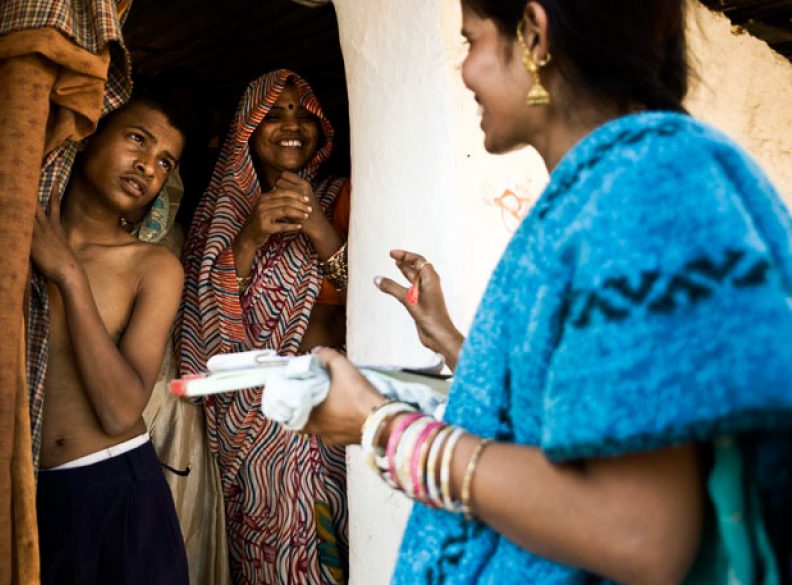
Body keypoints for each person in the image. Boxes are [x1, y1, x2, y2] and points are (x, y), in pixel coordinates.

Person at [303, 1, 792, 583]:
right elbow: (590, 409)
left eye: (472, 41)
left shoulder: (643, 186)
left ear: (534, 35)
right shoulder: (609, 187)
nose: (466, 71)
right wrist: (457, 344)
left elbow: (638, 531)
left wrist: (382, 428)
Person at [177, 69, 351, 584]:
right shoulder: (220, 216)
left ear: (322, 128)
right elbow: (198, 325)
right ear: (247, 131)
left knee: (339, 549)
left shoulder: (342, 196)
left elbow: (369, 297)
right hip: (255, 433)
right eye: (272, 114)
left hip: (331, 416)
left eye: (302, 113)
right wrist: (249, 235)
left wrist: (318, 226)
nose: (290, 124)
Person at [30, 89, 189, 585]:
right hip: (26, 494)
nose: (147, 166)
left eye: (164, 161)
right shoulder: (11, 238)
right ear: (89, 136)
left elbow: (120, 410)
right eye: (136, 140)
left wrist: (69, 277)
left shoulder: (152, 267)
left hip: (119, 495)